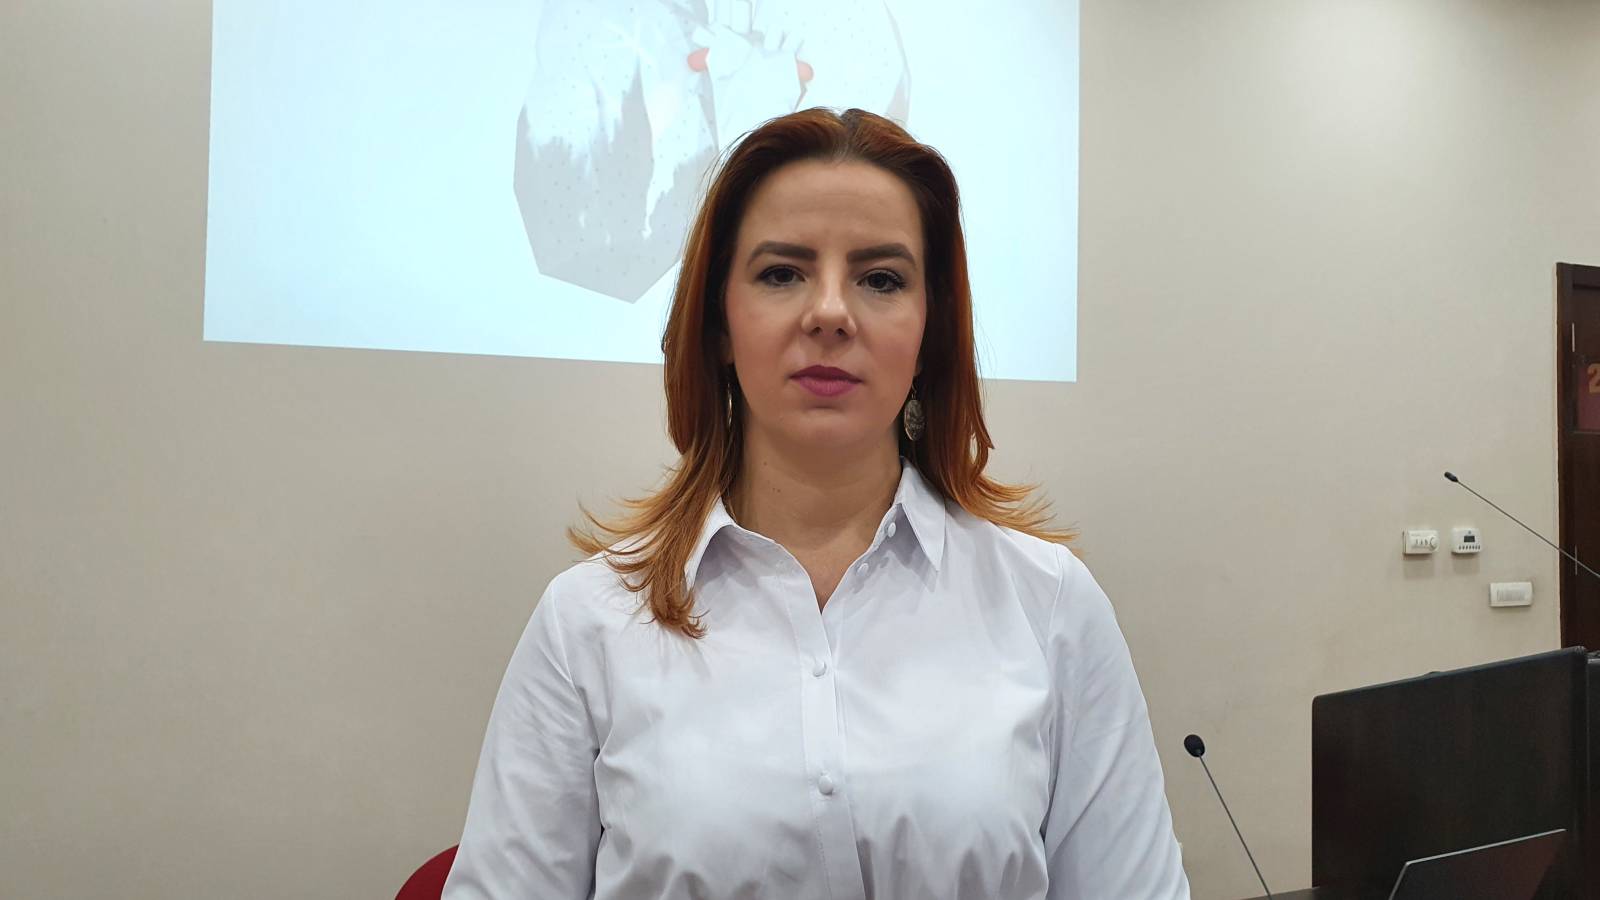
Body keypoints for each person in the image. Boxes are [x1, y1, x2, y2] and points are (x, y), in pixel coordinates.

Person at [442, 107, 1191, 899]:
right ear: (719, 324)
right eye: (781, 273)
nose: (830, 312)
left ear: (929, 331)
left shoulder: (1051, 606)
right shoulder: (588, 621)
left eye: (881, 279)